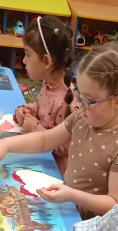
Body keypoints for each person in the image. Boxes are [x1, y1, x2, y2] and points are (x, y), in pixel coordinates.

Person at [0, 42, 118, 219]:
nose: (80, 104)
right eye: (79, 95)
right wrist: (5, 145)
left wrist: (72, 195)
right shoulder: (82, 119)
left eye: (88, 100)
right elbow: (44, 140)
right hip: (67, 206)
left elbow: (116, 204)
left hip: (90, 225)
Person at [13, 16, 78, 175]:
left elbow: (67, 149)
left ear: (47, 61)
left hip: (52, 171)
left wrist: (35, 128)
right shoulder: (48, 83)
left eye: (28, 55)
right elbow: (41, 106)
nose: (24, 61)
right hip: (39, 154)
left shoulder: (65, 102)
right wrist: (27, 109)